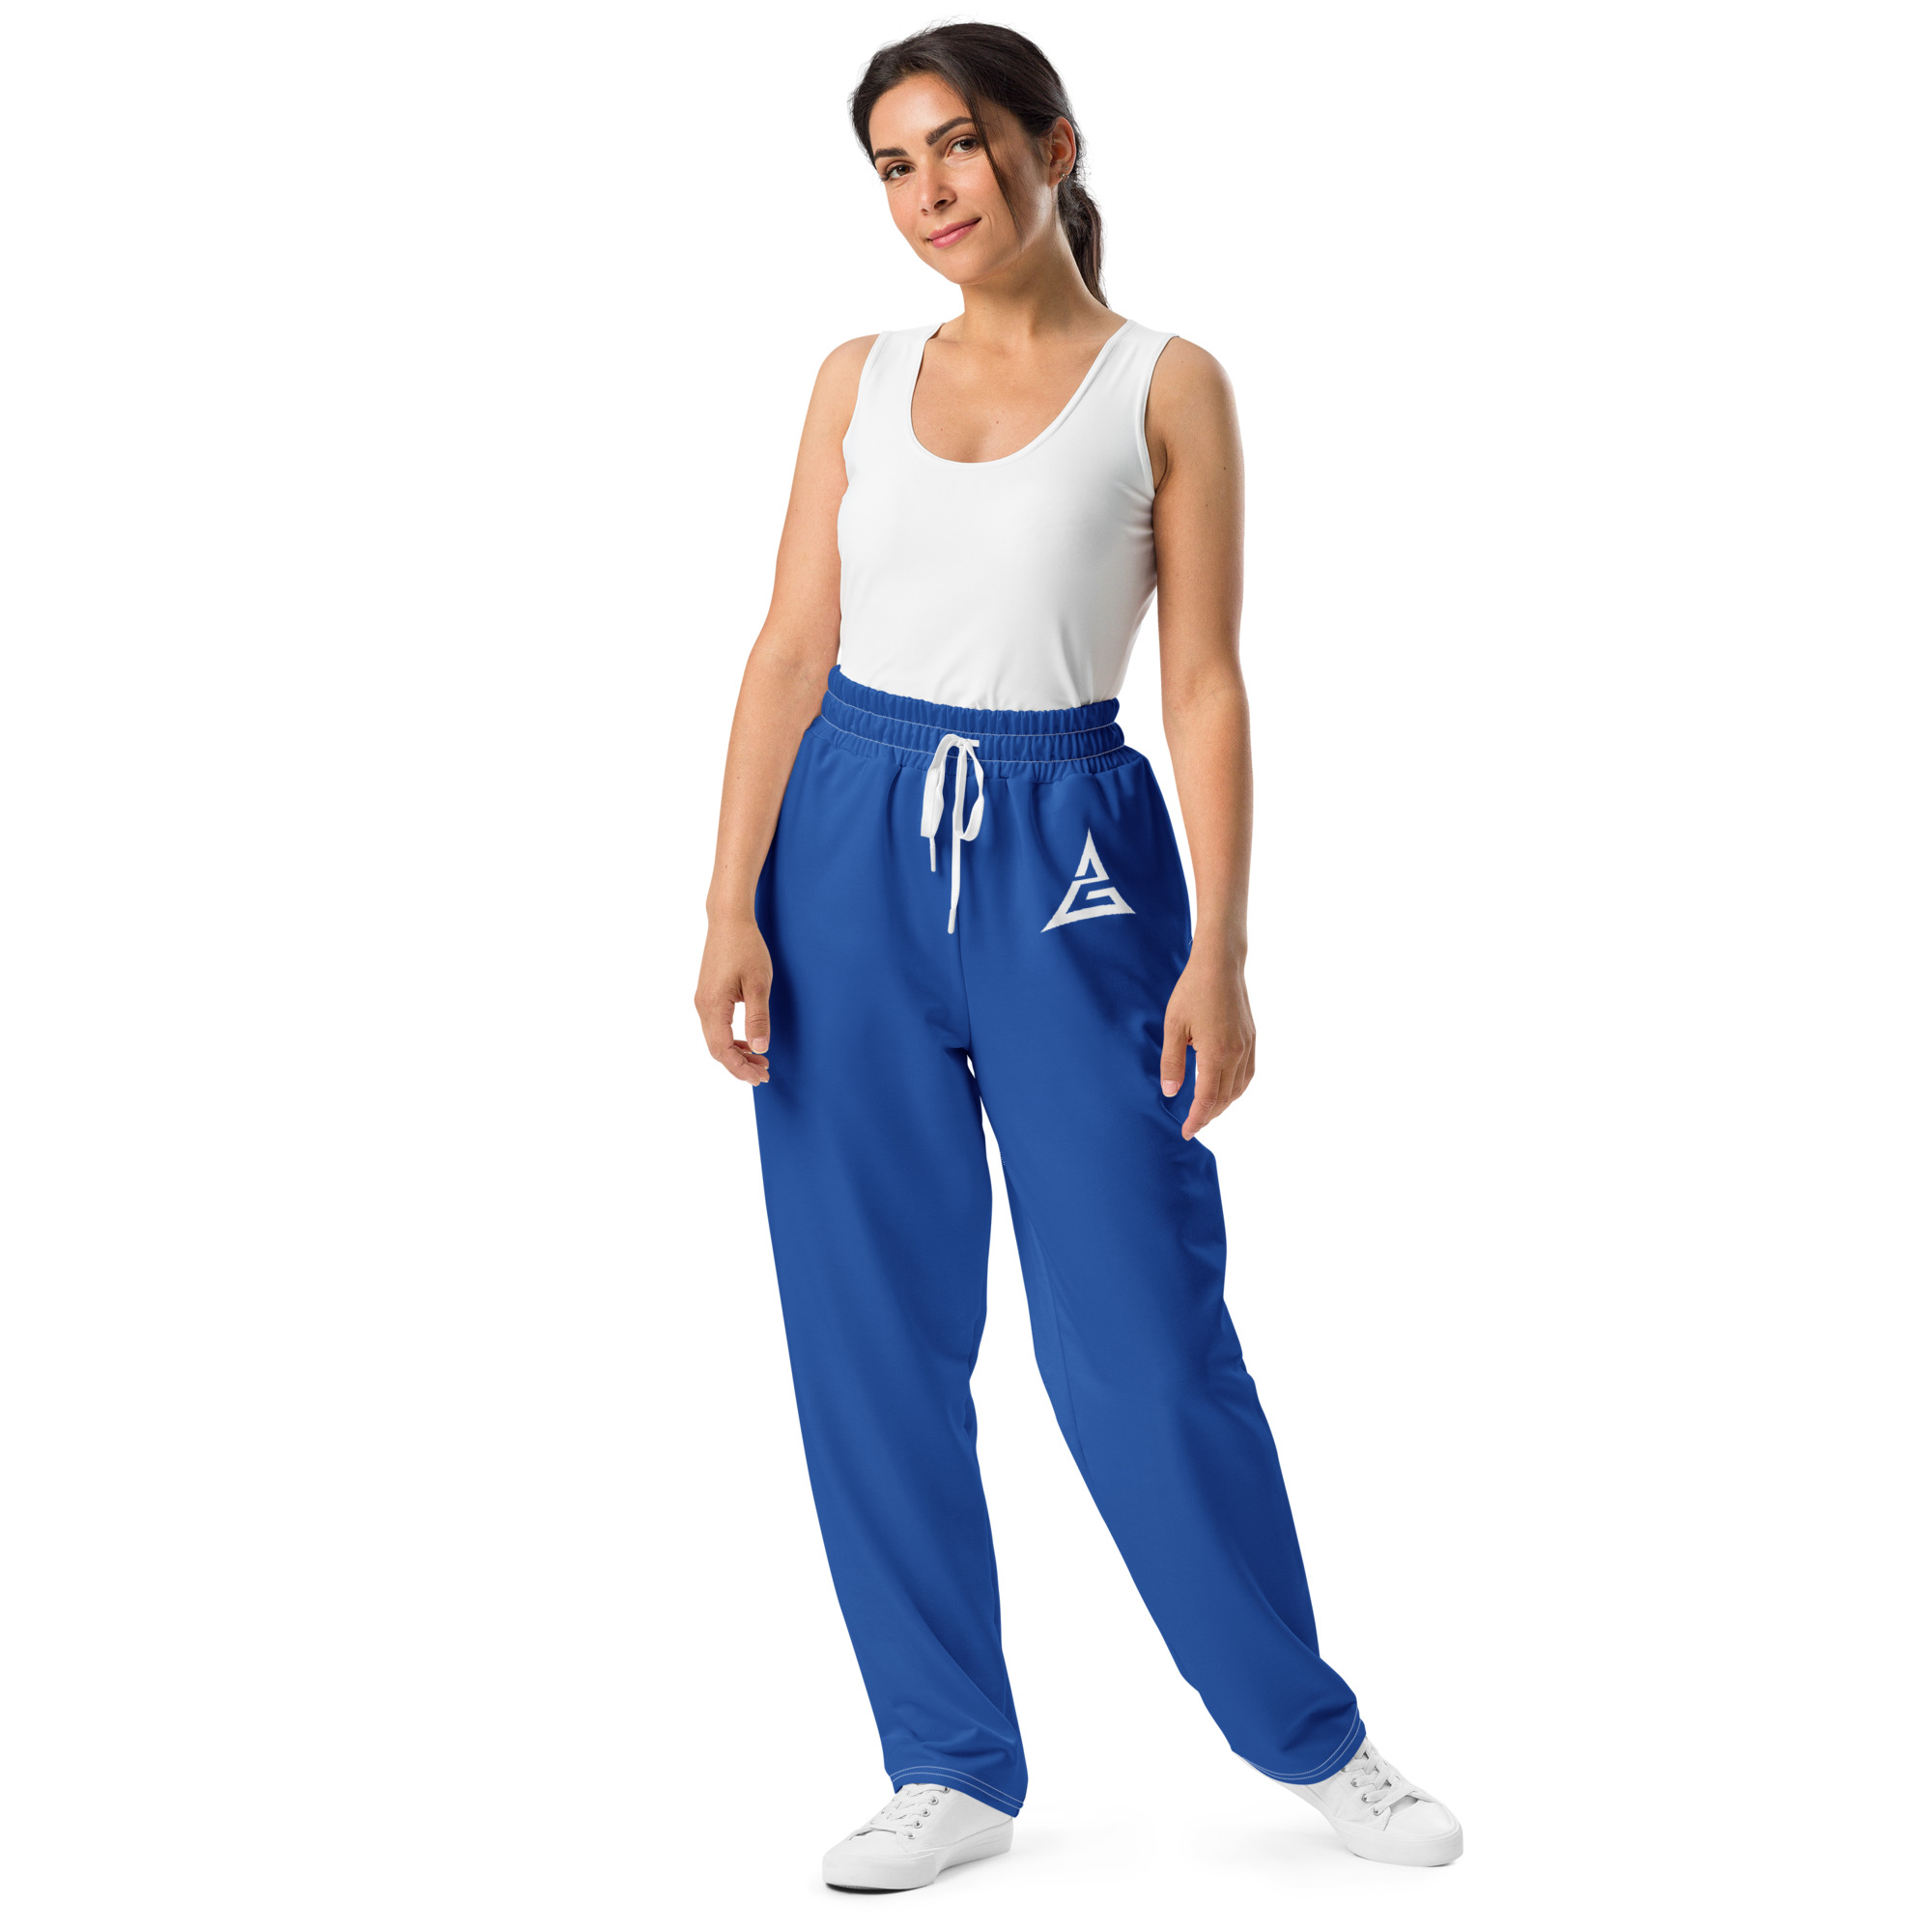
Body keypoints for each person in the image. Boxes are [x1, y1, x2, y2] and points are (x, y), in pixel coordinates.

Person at [695, 21, 1463, 1892]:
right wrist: (728, 901)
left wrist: (1226, 948)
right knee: (869, 1335)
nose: (927, 194)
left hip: (1073, 861)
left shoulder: (1164, 385)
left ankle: (1309, 1731)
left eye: (955, 147)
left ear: (1051, 145)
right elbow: (789, 645)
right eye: (891, 166)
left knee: (1138, 1336)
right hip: (846, 845)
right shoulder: (856, 377)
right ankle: (947, 1761)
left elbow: (1202, 680)